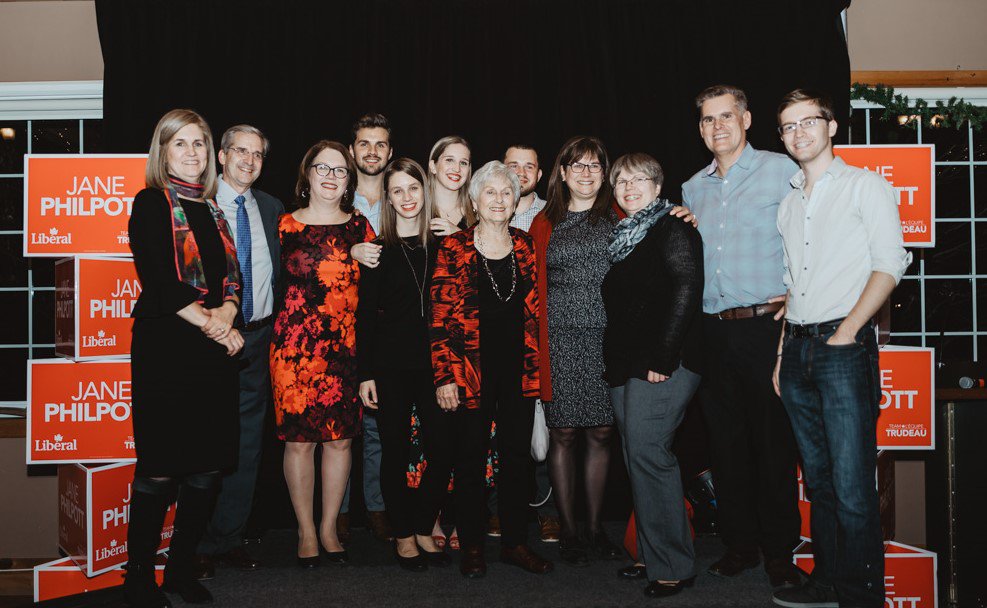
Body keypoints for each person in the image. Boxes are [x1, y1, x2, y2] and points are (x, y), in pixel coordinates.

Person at [772, 89, 910, 608]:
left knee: (852, 486)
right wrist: (781, 357)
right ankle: (828, 581)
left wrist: (849, 331)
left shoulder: (864, 186)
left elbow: (890, 263)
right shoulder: (788, 204)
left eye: (809, 121)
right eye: (788, 126)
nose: (799, 133)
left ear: (831, 126)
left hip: (842, 348)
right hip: (797, 351)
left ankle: (861, 597)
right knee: (821, 482)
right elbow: (792, 286)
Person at [681, 84, 803, 588]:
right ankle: (740, 545)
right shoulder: (692, 188)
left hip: (765, 327)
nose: (718, 126)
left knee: (773, 443)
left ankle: (780, 551)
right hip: (712, 331)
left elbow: (808, 234)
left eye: (726, 116)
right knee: (726, 444)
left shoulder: (781, 170)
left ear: (746, 119)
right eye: (708, 119)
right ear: (700, 128)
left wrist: (798, 294)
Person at [124, 109, 243, 607]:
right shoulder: (151, 202)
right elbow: (158, 278)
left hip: (211, 355)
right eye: (180, 143)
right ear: (163, 151)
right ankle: (137, 579)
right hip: (167, 350)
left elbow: (231, 278)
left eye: (199, 143)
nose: (192, 152)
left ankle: (178, 571)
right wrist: (215, 325)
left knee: (205, 469)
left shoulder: (214, 208)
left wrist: (228, 313)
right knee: (159, 468)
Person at [430, 161, 552, 578]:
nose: (499, 200)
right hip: (469, 372)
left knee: (517, 458)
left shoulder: (526, 245)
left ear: (516, 201)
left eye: (506, 193)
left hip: (520, 370)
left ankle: (516, 543)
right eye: (490, 192)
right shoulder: (454, 247)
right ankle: (473, 546)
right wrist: (444, 376)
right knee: (470, 458)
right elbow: (439, 318)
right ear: (475, 199)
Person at [603, 153, 704, 599]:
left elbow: (687, 288)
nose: (629, 188)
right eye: (621, 181)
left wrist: (664, 358)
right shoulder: (626, 235)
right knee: (635, 457)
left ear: (657, 185)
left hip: (665, 362)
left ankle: (674, 566)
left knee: (650, 453)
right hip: (627, 363)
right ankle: (649, 552)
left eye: (638, 179)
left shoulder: (673, 227)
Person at [270, 140, 375, 568]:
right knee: (299, 444)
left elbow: (379, 292)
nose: (331, 177)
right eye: (323, 168)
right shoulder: (283, 225)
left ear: (349, 180)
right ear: (307, 174)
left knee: (340, 441)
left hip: (345, 349)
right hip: (293, 350)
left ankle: (330, 528)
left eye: (340, 170)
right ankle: (306, 531)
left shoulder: (361, 227)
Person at [193, 125, 283, 580]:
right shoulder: (198, 207)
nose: (249, 161)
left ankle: (229, 538)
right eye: (240, 152)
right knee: (206, 442)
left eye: (257, 154)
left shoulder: (271, 208)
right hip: (210, 339)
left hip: (258, 339)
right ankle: (195, 544)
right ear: (222, 156)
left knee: (248, 446)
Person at [356, 158, 452, 571]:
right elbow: (364, 317)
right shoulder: (377, 251)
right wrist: (365, 374)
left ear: (424, 191)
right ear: (389, 199)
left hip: (437, 367)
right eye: (397, 190)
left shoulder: (445, 244)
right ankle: (403, 533)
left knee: (442, 450)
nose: (407, 197)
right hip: (390, 366)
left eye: (413, 188)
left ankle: (422, 524)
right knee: (393, 452)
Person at [529, 136, 622, 565]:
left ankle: (596, 528)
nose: (586, 173)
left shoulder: (619, 216)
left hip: (608, 340)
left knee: (602, 432)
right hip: (559, 341)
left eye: (594, 166)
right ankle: (568, 530)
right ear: (563, 173)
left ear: (605, 174)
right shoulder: (545, 222)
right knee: (563, 433)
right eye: (577, 166)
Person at [483, 143, 558, 544]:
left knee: (543, 431)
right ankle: (499, 510)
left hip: (543, 337)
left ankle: (547, 512)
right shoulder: (487, 210)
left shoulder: (554, 213)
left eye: (530, 166)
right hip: (497, 346)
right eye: (514, 165)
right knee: (501, 433)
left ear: (540, 174)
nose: (521, 172)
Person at [340, 112, 395, 543]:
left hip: (384, 328)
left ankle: (377, 507)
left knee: (378, 425)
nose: (372, 151)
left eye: (380, 144)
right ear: (351, 150)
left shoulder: (402, 196)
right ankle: (337, 513)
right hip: (338, 325)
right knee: (338, 425)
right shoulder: (334, 195)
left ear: (390, 152)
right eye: (364, 143)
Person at [427, 135, 474, 237]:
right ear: (433, 166)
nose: (457, 169)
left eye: (463, 163)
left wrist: (460, 236)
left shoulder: (478, 212)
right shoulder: (417, 210)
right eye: (449, 160)